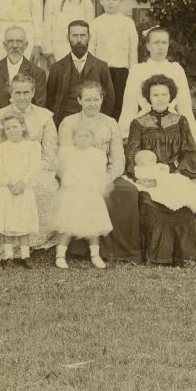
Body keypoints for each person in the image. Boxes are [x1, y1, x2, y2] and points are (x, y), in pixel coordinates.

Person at [124, 74, 196, 265]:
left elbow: (189, 153)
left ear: (171, 97)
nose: (160, 98)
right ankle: (160, 255)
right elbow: (131, 152)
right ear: (148, 98)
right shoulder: (138, 124)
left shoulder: (180, 121)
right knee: (148, 203)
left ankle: (188, 255)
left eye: (163, 94)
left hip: (173, 173)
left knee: (185, 202)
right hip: (149, 175)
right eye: (155, 95)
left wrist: (177, 173)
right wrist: (139, 176)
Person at [0, 73, 59, 261]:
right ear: (11, 93)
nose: (22, 97)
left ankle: (27, 245)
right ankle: (0, 245)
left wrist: (28, 176)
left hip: (34, 170)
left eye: (26, 92)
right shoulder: (0, 116)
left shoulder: (45, 117)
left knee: (46, 191)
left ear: (33, 92)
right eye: (18, 92)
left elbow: (50, 154)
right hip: (3, 170)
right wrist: (5, 176)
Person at [58, 81, 141, 263]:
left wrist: (108, 177)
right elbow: (64, 157)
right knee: (79, 194)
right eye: (87, 100)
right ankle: (80, 249)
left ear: (102, 99)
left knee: (127, 191)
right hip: (76, 176)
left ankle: (121, 251)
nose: (92, 103)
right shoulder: (69, 122)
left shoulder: (110, 123)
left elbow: (118, 158)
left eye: (96, 99)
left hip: (103, 173)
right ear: (79, 101)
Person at [118, 26, 196, 142]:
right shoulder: (137, 70)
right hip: (145, 124)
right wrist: (125, 134)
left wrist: (190, 135)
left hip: (172, 124)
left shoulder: (176, 69)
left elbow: (184, 105)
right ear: (148, 45)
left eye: (164, 43)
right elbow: (129, 106)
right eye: (156, 43)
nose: (160, 47)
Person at [0, 111, 41, 267]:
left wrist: (23, 182)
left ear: (23, 127)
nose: (12, 130)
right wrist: (9, 183)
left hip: (24, 189)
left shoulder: (32, 146)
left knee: (24, 222)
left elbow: (34, 167)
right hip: (5, 190)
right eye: (8, 128)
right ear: (4, 131)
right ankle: (8, 256)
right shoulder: (0, 148)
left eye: (15, 126)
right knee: (7, 223)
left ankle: (25, 255)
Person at [54, 126, 112, 270]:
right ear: (73, 139)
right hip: (73, 192)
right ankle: (60, 255)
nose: (83, 139)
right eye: (79, 136)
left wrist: (98, 187)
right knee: (67, 225)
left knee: (93, 226)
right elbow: (64, 172)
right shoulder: (68, 154)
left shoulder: (98, 155)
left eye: (87, 136)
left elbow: (100, 174)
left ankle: (95, 255)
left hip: (91, 193)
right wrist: (72, 183)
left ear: (92, 139)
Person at [46, 20, 115, 127]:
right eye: (74, 35)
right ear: (67, 37)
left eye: (83, 35)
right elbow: (50, 101)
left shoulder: (101, 66)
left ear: (89, 37)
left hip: (94, 123)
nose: (79, 40)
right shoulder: (57, 68)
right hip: (65, 123)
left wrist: (99, 123)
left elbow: (109, 100)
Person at [0, 25, 48, 127]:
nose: (15, 46)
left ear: (26, 45)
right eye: (10, 41)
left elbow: (39, 107)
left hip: (26, 130)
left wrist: (20, 128)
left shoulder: (37, 72)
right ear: (4, 45)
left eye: (19, 41)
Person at [89, 0, 138, 120]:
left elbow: (133, 51)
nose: (110, 2)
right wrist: (93, 72)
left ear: (121, 1)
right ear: (101, 1)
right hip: (102, 71)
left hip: (122, 71)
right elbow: (91, 50)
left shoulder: (128, 23)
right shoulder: (95, 23)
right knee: (104, 103)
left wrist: (133, 73)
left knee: (120, 104)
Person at [42, 0, 95, 65]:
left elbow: (91, 29)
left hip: (80, 48)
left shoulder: (85, 1)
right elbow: (46, 28)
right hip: (58, 49)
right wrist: (49, 53)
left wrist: (90, 52)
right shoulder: (52, 0)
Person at [132, 149, 196, 213]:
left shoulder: (154, 166)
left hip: (167, 178)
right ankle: (188, 202)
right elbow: (144, 178)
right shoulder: (141, 170)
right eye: (152, 161)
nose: (155, 162)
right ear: (142, 163)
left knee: (181, 180)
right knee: (171, 190)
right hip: (159, 183)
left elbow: (166, 170)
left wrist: (162, 167)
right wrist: (147, 181)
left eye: (155, 160)